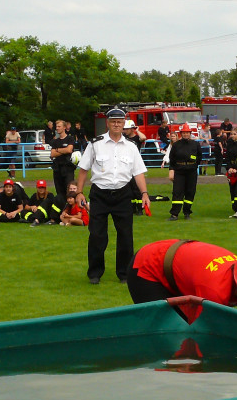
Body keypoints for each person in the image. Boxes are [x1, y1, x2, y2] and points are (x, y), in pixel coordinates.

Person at [75, 108, 151, 285]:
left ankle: (124, 274)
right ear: (107, 123)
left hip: (123, 194)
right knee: (97, 235)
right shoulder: (95, 144)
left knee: (125, 235)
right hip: (100, 194)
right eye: (113, 121)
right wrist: (79, 192)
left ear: (124, 124)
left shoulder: (131, 147)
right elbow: (83, 169)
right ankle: (95, 273)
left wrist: (144, 193)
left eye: (120, 121)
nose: (116, 124)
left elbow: (138, 173)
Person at [126, 239, 237, 323]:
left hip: (178, 265)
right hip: (147, 268)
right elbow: (201, 332)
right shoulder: (215, 292)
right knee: (166, 330)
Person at [167, 123, 200, 220]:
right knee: (177, 192)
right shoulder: (176, 145)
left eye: (187, 133)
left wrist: (193, 165)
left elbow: (199, 157)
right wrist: (171, 170)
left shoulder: (195, 144)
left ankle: (187, 212)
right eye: (184, 133)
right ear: (181, 133)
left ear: (190, 133)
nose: (186, 134)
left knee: (190, 192)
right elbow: (171, 159)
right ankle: (174, 214)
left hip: (191, 171)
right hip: (179, 171)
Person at [49, 119, 77, 198]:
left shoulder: (70, 139)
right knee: (59, 192)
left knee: (69, 191)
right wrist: (63, 150)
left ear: (64, 127)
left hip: (68, 168)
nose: (57, 128)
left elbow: (69, 150)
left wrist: (58, 149)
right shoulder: (55, 141)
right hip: (57, 169)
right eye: (56, 126)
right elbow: (52, 154)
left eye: (59, 126)